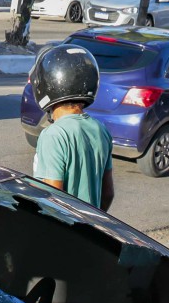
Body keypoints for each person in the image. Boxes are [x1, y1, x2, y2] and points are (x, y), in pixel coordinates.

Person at [29, 44, 113, 210]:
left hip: (64, 232)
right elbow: (108, 193)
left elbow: (53, 200)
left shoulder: (53, 135)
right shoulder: (100, 130)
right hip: (90, 227)